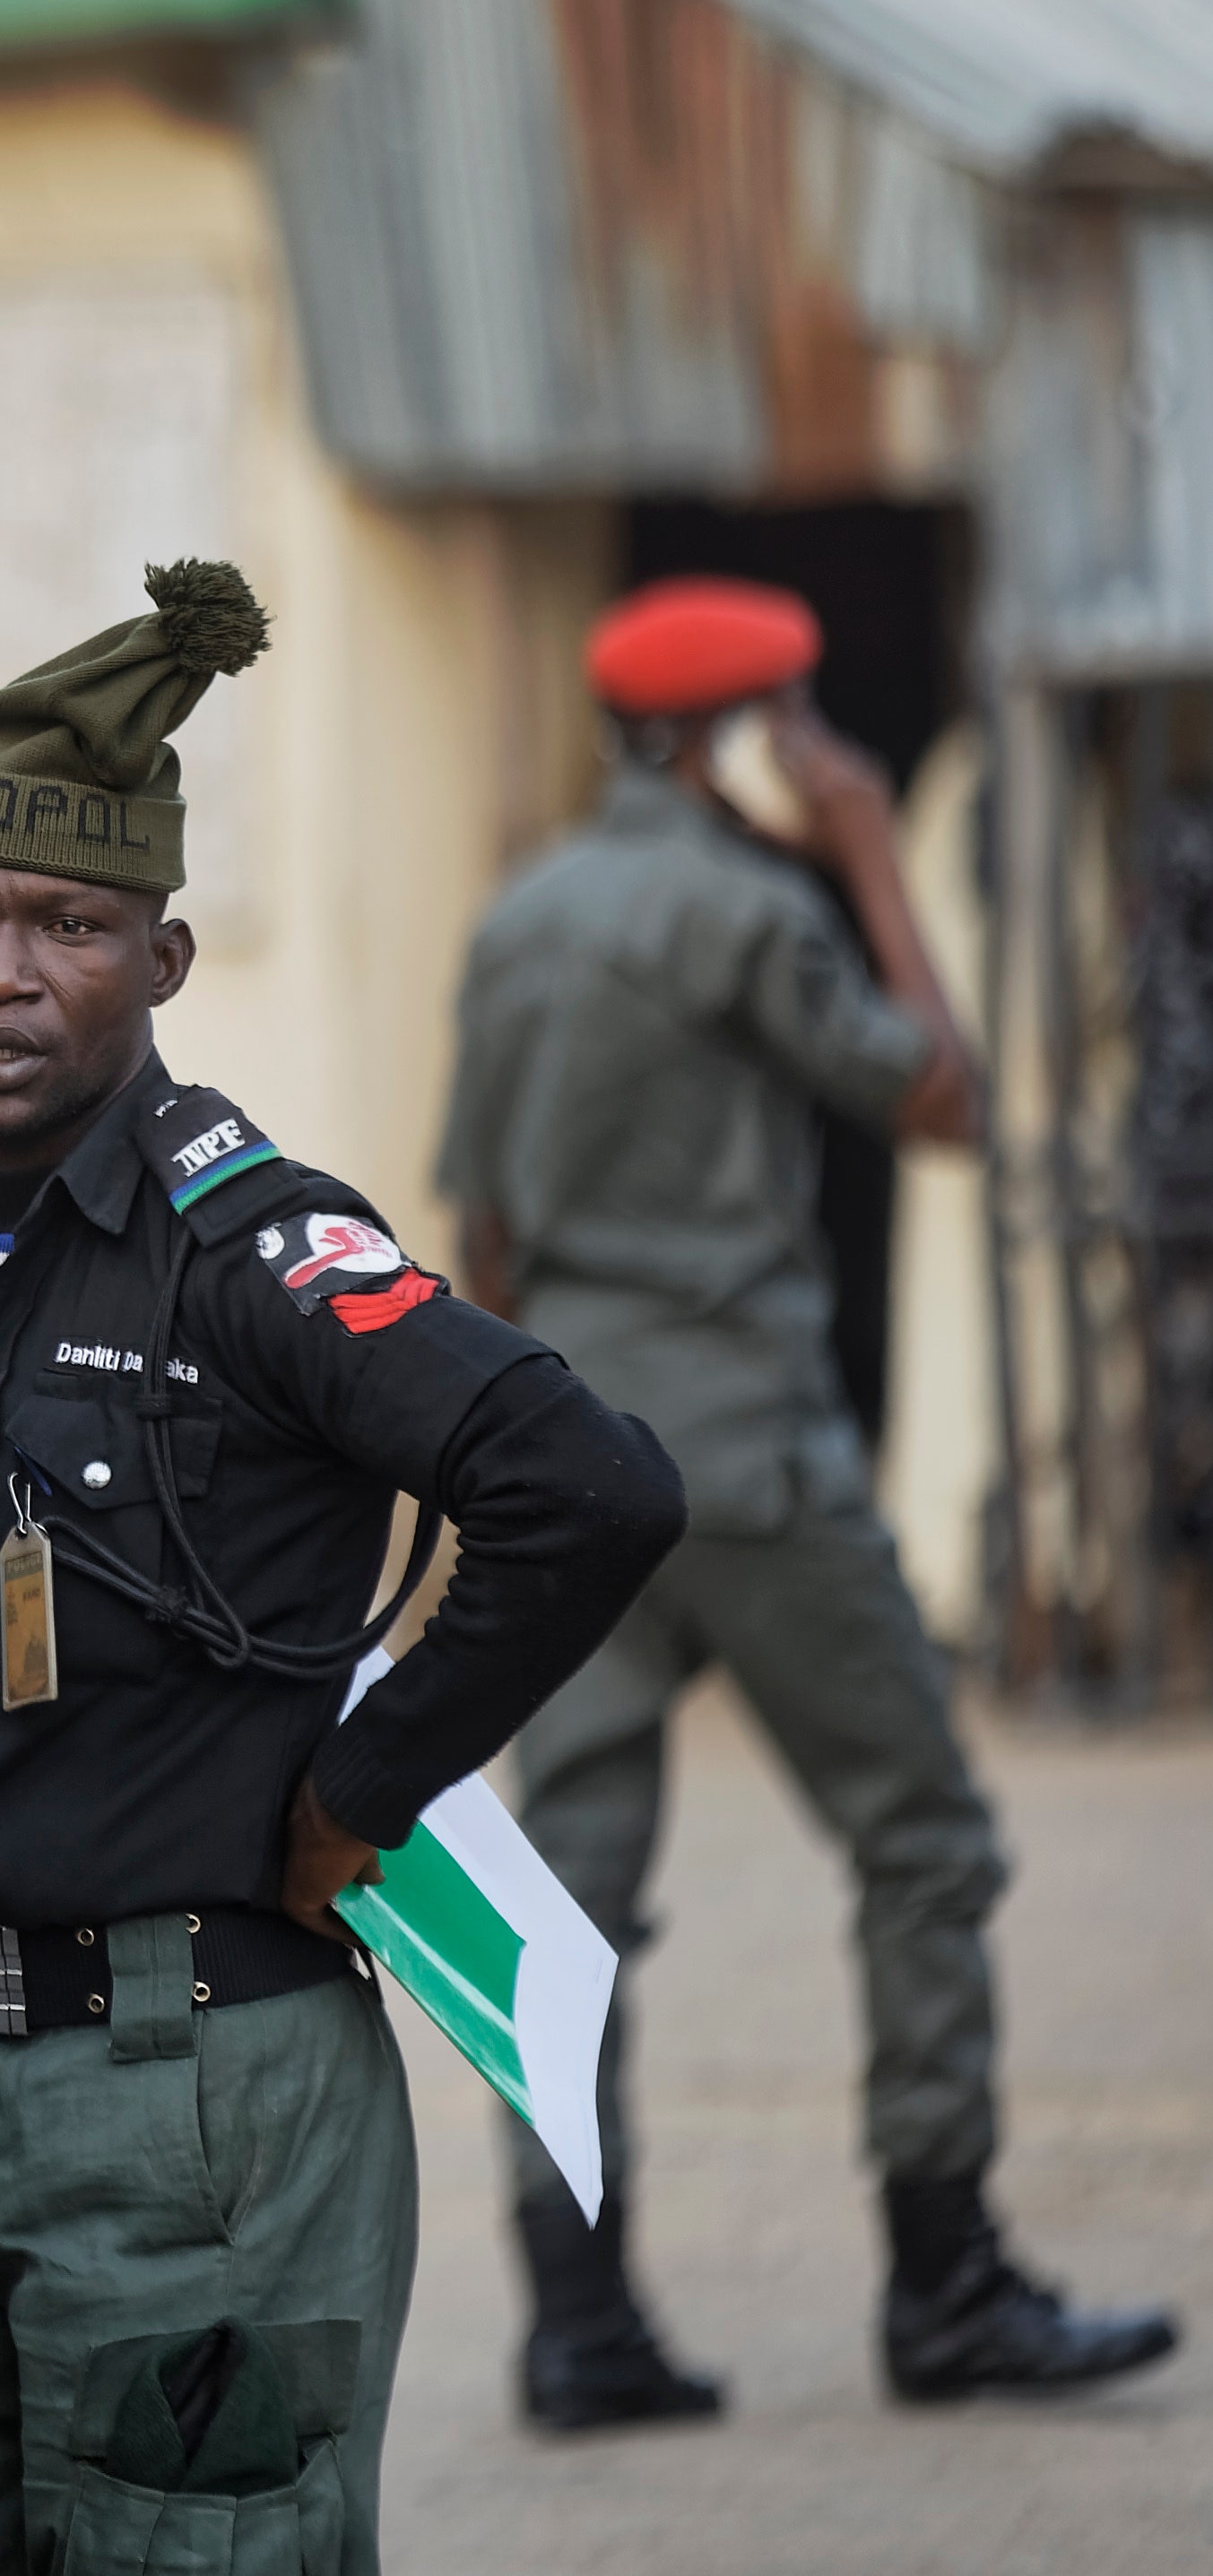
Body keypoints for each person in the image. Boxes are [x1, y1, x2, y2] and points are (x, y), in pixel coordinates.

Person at [0, 558, 687, 2576]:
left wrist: (356, 1798)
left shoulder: (249, 1251)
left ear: (163, 956)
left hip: (186, 2080)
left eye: (65, 927)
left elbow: (588, 1489)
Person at [438, 575, 1179, 2424]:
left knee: (559, 1896)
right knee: (917, 1838)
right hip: (748, 1458)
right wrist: (861, 844)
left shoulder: (520, 913)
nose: (829, 755)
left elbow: (486, 1236)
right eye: (802, 724)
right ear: (733, 741)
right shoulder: (746, 904)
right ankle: (945, 2287)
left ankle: (574, 2320)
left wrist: (500, 1469)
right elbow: (940, 1099)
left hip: (569, 1464)